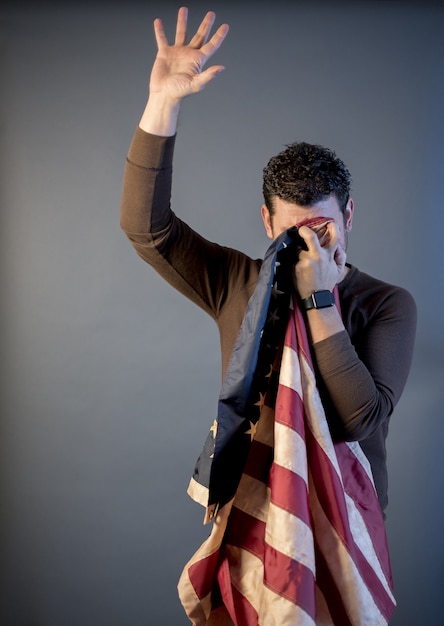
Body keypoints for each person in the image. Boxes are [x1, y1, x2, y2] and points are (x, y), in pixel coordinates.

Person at [120, 7, 416, 624]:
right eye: (291, 235)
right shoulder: (240, 282)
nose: (309, 248)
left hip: (343, 534)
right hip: (252, 515)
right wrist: (161, 104)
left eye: (323, 230)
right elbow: (146, 230)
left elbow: (363, 418)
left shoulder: (386, 304)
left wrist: (320, 299)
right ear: (265, 224)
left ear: (350, 217)